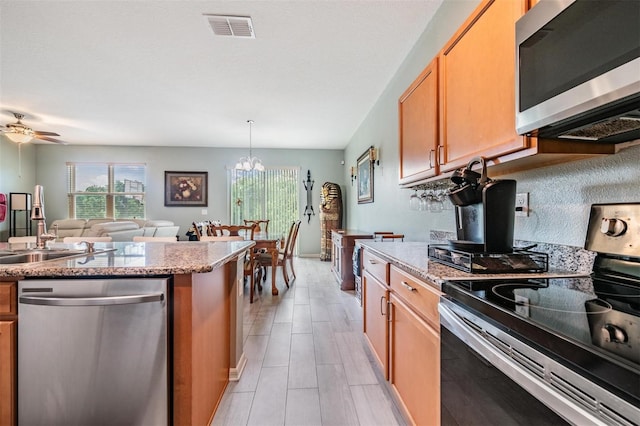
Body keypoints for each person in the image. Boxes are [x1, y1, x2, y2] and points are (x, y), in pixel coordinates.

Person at [319, 182, 342, 261]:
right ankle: (324, 255)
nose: (324, 193)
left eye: (325, 191)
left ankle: (330, 256)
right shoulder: (325, 201)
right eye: (323, 191)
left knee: (330, 239)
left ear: (330, 192)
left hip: (332, 222)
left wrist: (323, 209)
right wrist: (323, 208)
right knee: (324, 239)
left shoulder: (334, 200)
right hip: (324, 223)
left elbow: (333, 210)